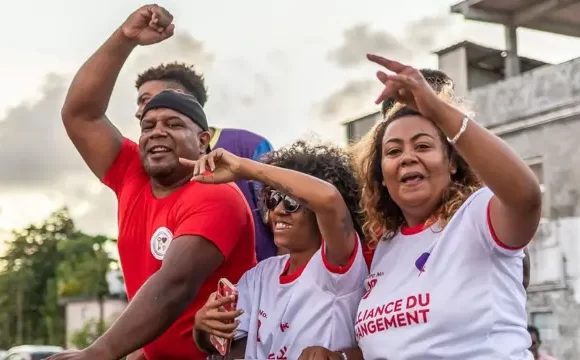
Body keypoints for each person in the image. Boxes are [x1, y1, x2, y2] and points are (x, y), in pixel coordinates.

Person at [46, 6, 256, 360]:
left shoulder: (215, 193)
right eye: (148, 125)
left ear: (203, 140)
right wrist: (125, 37)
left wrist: (98, 354)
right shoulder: (133, 172)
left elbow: (174, 284)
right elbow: (80, 113)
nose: (157, 131)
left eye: (174, 124)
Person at [301, 54, 542, 360]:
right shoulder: (386, 247)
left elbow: (527, 197)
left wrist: (438, 110)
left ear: (452, 162)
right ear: (382, 178)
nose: (407, 157)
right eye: (393, 151)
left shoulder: (479, 216)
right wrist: (341, 358)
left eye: (423, 146)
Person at [184, 141, 368, 359]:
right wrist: (202, 326)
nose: (279, 210)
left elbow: (329, 199)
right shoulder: (260, 275)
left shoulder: (338, 268)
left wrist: (245, 168)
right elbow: (216, 343)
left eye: (291, 201)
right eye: (272, 198)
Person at [135, 62, 277, 261]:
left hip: (258, 282)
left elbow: (283, 217)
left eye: (146, 100)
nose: (139, 110)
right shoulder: (151, 159)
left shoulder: (248, 145)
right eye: (139, 103)